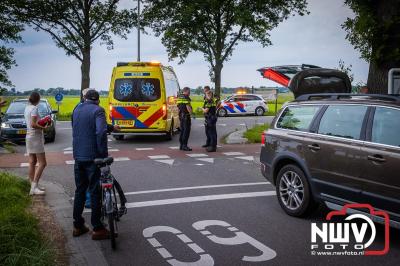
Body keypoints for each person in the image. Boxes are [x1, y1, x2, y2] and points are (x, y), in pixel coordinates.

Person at [72, 89, 110, 240]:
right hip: (93, 157)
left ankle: (78, 225)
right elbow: (100, 132)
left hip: (78, 156)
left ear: (84, 98)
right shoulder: (98, 110)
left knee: (80, 191)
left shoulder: (76, 109)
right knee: (94, 191)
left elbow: (79, 128)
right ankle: (98, 228)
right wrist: (103, 154)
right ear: (98, 100)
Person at [24, 92, 47, 195]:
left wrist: (40, 122)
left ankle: (32, 184)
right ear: (38, 99)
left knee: (32, 161)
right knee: (43, 163)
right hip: (35, 137)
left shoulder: (27, 108)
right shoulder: (34, 108)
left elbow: (31, 123)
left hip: (29, 136)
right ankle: (34, 187)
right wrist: (44, 127)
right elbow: (33, 124)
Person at [177, 87, 193, 151]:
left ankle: (181, 145)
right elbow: (188, 107)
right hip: (186, 116)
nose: (189, 93)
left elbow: (178, 107)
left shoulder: (179, 97)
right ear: (186, 91)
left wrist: (179, 116)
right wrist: (192, 113)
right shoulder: (186, 97)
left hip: (181, 116)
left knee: (182, 131)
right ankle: (185, 145)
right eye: (189, 92)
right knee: (186, 131)